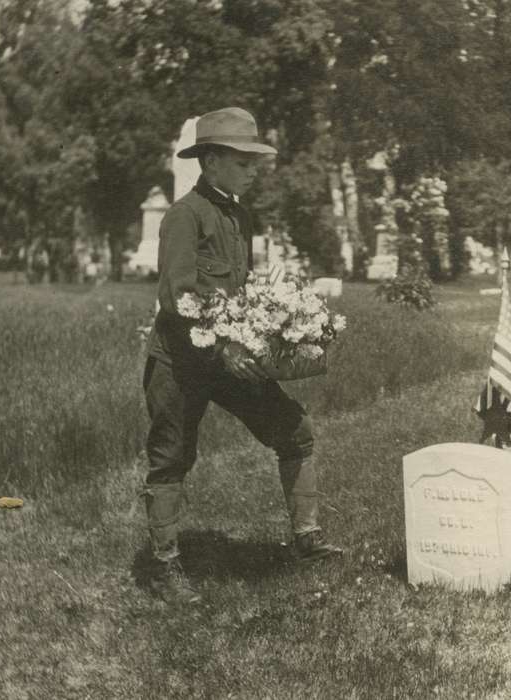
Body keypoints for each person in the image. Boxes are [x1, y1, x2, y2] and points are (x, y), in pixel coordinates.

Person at [141, 107, 341, 605]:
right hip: (180, 361)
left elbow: (241, 292)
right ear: (209, 162)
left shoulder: (238, 215)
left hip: (233, 357)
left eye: (254, 162)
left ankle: (307, 539)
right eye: (243, 161)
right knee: (171, 459)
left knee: (294, 431)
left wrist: (277, 327)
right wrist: (225, 344)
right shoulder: (183, 216)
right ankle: (165, 568)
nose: (253, 171)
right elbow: (177, 296)